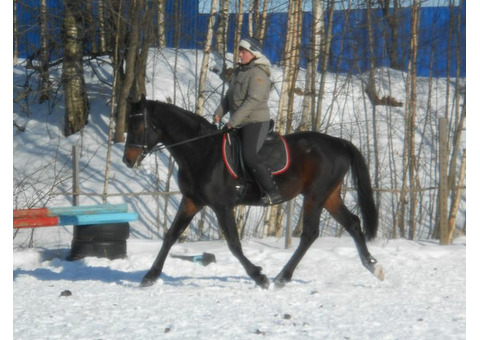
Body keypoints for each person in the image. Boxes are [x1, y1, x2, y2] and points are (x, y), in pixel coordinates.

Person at [213, 36, 282, 204]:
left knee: (249, 155)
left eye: (244, 52)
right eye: (240, 51)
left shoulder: (259, 74)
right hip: (238, 121)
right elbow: (229, 97)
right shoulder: (238, 72)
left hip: (255, 122)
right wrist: (219, 113)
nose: (240, 54)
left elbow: (253, 101)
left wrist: (233, 120)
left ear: (254, 54)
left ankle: (273, 192)